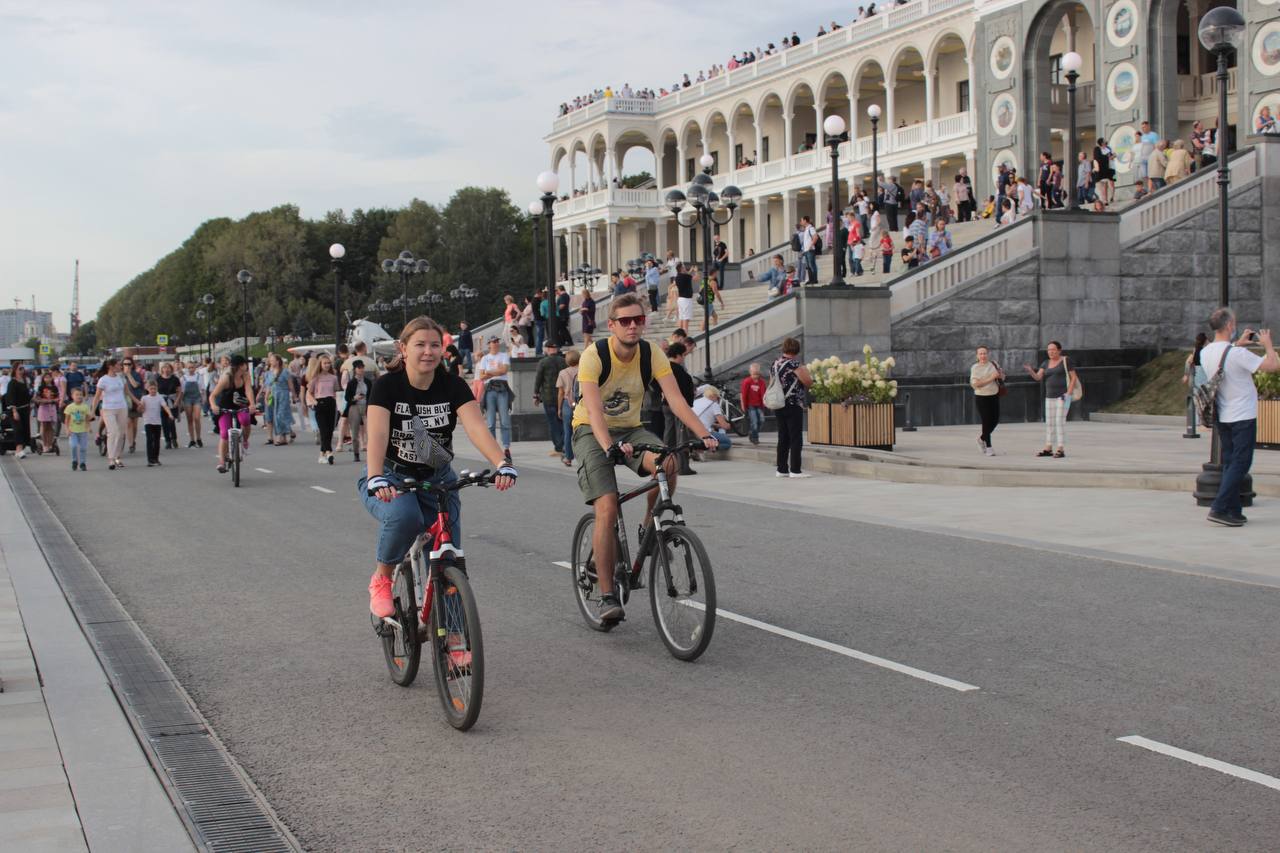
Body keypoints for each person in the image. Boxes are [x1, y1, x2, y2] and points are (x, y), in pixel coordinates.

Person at [571, 295, 716, 621]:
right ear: (611, 326)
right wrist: (608, 444)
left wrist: (702, 434)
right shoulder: (594, 356)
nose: (633, 325)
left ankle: (648, 524)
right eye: (625, 321)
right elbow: (593, 410)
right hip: (591, 432)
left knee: (668, 463)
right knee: (607, 506)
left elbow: (677, 401)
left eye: (638, 319)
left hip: (632, 429)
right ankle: (608, 595)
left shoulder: (652, 354)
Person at [362, 316, 517, 618]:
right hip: (392, 474)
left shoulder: (452, 385)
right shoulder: (387, 386)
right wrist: (375, 477)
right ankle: (382, 577)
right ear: (403, 348)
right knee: (405, 517)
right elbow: (378, 434)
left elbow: (476, 427)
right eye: (420, 344)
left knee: (449, 559)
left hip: (437, 477)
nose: (428, 351)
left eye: (435, 345)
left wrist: (501, 463)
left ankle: (456, 637)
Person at [1200, 309, 1279, 525]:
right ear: (1228, 326)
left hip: (1223, 416)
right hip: (1242, 415)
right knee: (1241, 463)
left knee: (1230, 463)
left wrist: (1239, 345)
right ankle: (1219, 507)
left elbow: (1226, 359)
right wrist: (1268, 344)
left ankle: (1233, 510)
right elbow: (1272, 366)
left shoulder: (1206, 352)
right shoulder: (1236, 354)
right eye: (1234, 323)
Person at [1023, 341, 1078, 458]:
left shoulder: (1066, 361)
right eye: (1048, 350)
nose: (1050, 352)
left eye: (1053, 349)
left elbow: (1073, 378)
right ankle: (1048, 448)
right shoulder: (1045, 363)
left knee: (1059, 422)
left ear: (1059, 350)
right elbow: (1038, 377)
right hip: (1049, 397)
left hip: (1063, 397)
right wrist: (1031, 371)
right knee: (1050, 423)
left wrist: (1068, 394)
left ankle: (1060, 449)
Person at [771, 337, 813, 477]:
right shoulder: (795, 364)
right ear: (796, 349)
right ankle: (795, 470)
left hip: (778, 403)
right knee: (795, 437)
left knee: (783, 437)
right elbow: (808, 382)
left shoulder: (775, 363)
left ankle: (781, 469)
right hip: (793, 404)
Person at [210, 355, 259, 473]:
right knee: (224, 432)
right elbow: (212, 396)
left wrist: (252, 404)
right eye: (245, 364)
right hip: (225, 405)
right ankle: (222, 462)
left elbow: (248, 390)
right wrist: (213, 406)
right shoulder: (226, 378)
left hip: (240, 403)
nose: (246, 366)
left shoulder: (245, 375)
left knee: (245, 420)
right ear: (240, 366)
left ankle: (245, 441)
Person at [477, 336, 513, 460]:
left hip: (502, 387)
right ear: (489, 344)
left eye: (497, 341)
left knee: (504, 420)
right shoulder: (485, 358)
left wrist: (489, 373)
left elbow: (504, 370)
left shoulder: (503, 355)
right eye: (493, 342)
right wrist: (496, 372)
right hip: (490, 388)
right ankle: (493, 449)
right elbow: (481, 376)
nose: (496, 343)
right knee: (490, 422)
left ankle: (506, 447)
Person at [91, 360, 129, 469]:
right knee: (113, 432)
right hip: (108, 409)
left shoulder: (121, 378)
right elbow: (97, 396)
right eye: (118, 365)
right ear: (111, 367)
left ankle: (118, 457)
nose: (120, 366)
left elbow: (127, 392)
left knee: (121, 433)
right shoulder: (103, 380)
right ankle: (111, 459)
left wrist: (137, 402)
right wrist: (93, 411)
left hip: (122, 407)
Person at [534, 340, 567, 456]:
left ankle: (558, 447)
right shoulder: (564, 361)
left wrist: (536, 395)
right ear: (556, 349)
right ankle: (565, 445)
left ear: (547, 349)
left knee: (553, 423)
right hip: (563, 397)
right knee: (563, 422)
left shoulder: (543, 362)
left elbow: (538, 379)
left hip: (548, 398)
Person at [970, 346, 1004, 456]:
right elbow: (976, 384)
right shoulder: (975, 368)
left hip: (993, 395)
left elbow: (1001, 378)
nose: (983, 356)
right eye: (980, 354)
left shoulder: (993, 364)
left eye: (984, 353)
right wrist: (991, 378)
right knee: (986, 421)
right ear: (977, 356)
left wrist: (1001, 375)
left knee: (995, 420)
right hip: (981, 397)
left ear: (988, 354)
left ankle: (981, 438)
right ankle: (988, 446)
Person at [305, 353, 339, 465]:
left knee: (329, 431)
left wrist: (337, 403)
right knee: (323, 430)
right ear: (320, 364)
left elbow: (335, 391)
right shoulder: (316, 378)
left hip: (331, 403)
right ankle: (329, 452)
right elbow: (309, 392)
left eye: (329, 363)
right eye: (325, 363)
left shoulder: (333, 378)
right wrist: (315, 402)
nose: (327, 365)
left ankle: (321, 454)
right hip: (320, 403)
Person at [140, 381, 174, 466]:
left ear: (157, 389)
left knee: (156, 441)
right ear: (148, 389)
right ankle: (150, 459)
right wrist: (140, 407)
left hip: (157, 422)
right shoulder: (144, 398)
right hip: (148, 421)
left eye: (154, 389)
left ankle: (156, 458)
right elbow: (141, 408)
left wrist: (170, 414)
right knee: (149, 440)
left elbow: (165, 406)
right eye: (151, 389)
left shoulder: (159, 398)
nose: (153, 390)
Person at [557, 349, 579, 467]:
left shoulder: (563, 373)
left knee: (567, 432)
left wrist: (559, 408)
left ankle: (568, 457)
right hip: (581, 403)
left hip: (567, 403)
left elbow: (560, 392)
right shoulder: (583, 369)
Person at [344, 360, 371, 456]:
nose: (362, 369)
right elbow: (347, 398)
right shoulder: (351, 383)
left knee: (370, 430)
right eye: (359, 367)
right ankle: (356, 453)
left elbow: (371, 395)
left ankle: (371, 453)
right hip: (354, 406)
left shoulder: (368, 381)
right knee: (355, 431)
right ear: (355, 369)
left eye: (362, 367)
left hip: (366, 407)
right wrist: (354, 398)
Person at [63, 386, 92, 472]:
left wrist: (88, 427)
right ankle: (74, 461)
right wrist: (67, 429)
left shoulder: (85, 407)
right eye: (77, 395)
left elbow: (87, 418)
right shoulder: (70, 407)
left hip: (83, 431)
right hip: (73, 431)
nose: (79, 396)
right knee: (73, 446)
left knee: (83, 448)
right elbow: (67, 420)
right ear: (72, 396)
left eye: (81, 394)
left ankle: (82, 463)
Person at [122, 357, 145, 453]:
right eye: (125, 364)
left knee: (134, 424)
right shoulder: (119, 375)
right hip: (124, 401)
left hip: (135, 400)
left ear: (132, 365)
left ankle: (133, 441)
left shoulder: (136, 374)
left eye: (129, 364)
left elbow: (135, 385)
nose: (127, 366)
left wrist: (128, 374)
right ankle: (131, 444)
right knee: (128, 423)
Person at [155, 362, 180, 449]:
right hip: (162, 401)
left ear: (171, 369)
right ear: (162, 369)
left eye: (168, 368)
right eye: (164, 368)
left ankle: (174, 438)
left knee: (171, 421)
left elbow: (179, 391)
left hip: (172, 401)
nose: (166, 369)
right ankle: (167, 440)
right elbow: (156, 391)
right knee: (164, 423)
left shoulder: (175, 379)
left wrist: (177, 401)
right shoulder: (158, 379)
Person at [740, 362, 767, 445]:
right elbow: (743, 394)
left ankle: (752, 432)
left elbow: (764, 393)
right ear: (750, 372)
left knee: (762, 420)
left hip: (759, 405)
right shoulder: (747, 381)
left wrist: (765, 402)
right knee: (754, 422)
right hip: (751, 405)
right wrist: (743, 405)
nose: (756, 376)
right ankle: (754, 437)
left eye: (757, 374)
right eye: (754, 374)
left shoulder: (761, 382)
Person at [179, 362, 204, 447]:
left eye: (192, 367)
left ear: (195, 368)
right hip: (187, 399)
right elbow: (181, 391)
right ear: (186, 368)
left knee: (197, 418)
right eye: (189, 367)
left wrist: (204, 398)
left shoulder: (199, 377)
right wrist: (180, 401)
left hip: (197, 398)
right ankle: (192, 439)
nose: (191, 369)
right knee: (189, 419)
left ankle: (199, 438)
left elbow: (202, 389)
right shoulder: (183, 378)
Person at [35, 373, 59, 454]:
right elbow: (37, 398)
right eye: (46, 377)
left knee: (50, 427)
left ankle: (50, 444)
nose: (48, 379)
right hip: (43, 408)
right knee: (44, 426)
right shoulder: (41, 387)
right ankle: (45, 445)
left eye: (49, 377)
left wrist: (55, 400)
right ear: (43, 379)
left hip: (51, 408)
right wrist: (45, 401)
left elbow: (57, 397)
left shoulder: (54, 388)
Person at [673, 263, 695, 333]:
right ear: (681, 269)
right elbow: (696, 278)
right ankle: (685, 335)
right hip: (686, 300)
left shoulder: (677, 277)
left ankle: (680, 334)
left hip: (680, 299)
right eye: (684, 267)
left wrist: (691, 270)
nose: (685, 268)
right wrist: (696, 271)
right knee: (686, 319)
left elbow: (687, 274)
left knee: (681, 318)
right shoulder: (686, 276)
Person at [799, 215, 818, 284]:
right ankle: (810, 279)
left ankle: (814, 279)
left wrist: (811, 245)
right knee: (808, 266)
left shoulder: (811, 228)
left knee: (812, 265)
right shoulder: (806, 229)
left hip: (810, 250)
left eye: (801, 220)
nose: (801, 222)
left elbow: (815, 237)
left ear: (805, 220)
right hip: (806, 250)